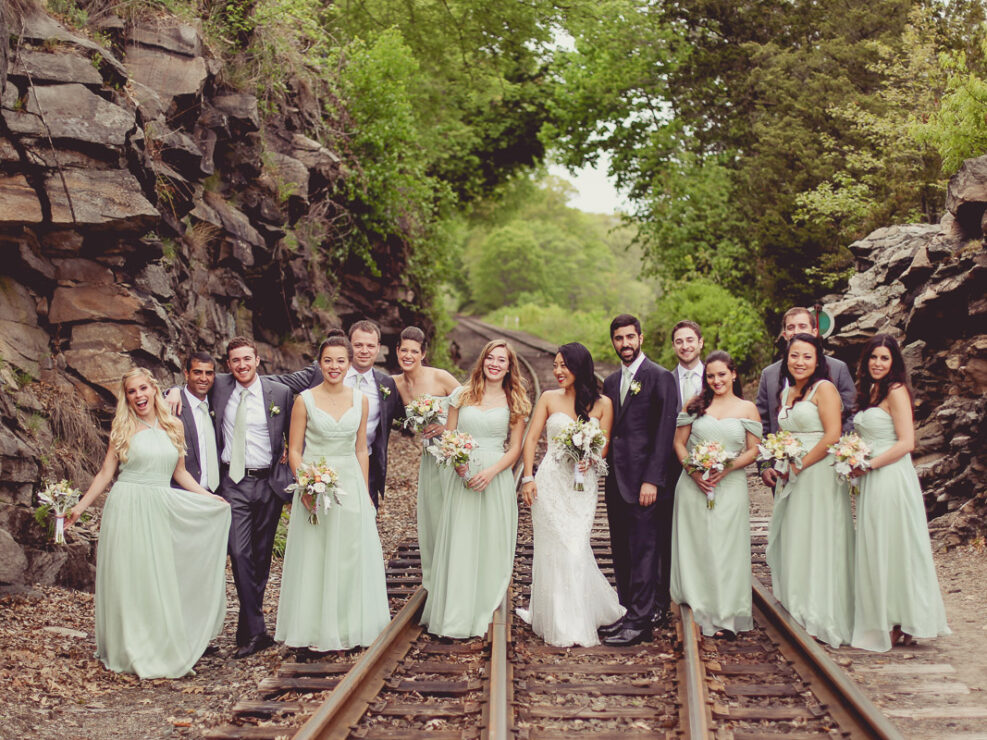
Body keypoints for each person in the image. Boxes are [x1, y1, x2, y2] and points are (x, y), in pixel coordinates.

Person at [66, 368, 230, 679]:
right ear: (126, 397)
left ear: (154, 390)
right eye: (132, 392)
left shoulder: (174, 426)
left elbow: (179, 474)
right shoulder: (123, 427)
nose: (139, 396)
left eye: (143, 389)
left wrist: (209, 497)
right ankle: (128, 646)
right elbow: (105, 473)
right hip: (127, 505)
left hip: (159, 505)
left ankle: (158, 643)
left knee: (158, 576)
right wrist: (79, 507)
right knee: (130, 577)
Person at [275, 335, 390, 650]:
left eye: (341, 360)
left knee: (350, 553)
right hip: (315, 481)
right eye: (328, 360)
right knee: (318, 553)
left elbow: (362, 449)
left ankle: (348, 624)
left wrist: (365, 490)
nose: (334, 366)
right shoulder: (305, 400)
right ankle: (314, 627)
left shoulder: (360, 400)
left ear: (349, 363)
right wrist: (307, 483)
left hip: (350, 481)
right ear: (320, 363)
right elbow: (295, 450)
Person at [516, 343, 623, 647]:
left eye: (564, 365)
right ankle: (558, 620)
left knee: (575, 546)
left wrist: (590, 457)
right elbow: (532, 438)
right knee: (554, 547)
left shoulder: (603, 404)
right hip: (550, 483)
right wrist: (527, 477)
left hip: (582, 484)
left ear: (580, 367)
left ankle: (577, 615)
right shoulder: (549, 398)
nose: (558, 371)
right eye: (556, 366)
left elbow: (603, 446)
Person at [421, 339, 529, 638]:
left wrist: (492, 472)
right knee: (461, 538)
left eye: (501, 360)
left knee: (490, 540)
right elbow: (450, 435)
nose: (495, 364)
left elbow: (515, 448)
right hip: (462, 474)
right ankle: (454, 613)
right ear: (482, 361)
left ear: (509, 367)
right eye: (490, 358)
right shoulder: (462, 395)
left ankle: (484, 605)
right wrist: (459, 464)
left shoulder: (516, 401)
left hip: (495, 475)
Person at [850, 335, 949, 651]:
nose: (878, 363)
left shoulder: (896, 391)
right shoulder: (871, 392)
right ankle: (889, 618)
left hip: (891, 476)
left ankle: (901, 619)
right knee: (879, 543)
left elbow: (907, 442)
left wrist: (870, 464)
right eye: (873, 358)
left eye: (884, 358)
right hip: (871, 477)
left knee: (894, 543)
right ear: (866, 362)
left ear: (894, 363)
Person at [765, 333, 854, 648]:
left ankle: (819, 613)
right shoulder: (788, 389)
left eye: (806, 356)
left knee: (818, 539)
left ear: (818, 360)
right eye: (794, 356)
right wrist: (782, 460)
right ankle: (798, 608)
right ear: (787, 358)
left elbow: (832, 435)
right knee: (796, 537)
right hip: (793, 473)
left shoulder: (824, 389)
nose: (799, 362)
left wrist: (800, 463)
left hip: (817, 474)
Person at [599, 314, 679, 646]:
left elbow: (664, 433)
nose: (625, 344)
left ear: (641, 338)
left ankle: (641, 621)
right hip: (616, 480)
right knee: (622, 550)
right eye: (619, 339)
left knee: (645, 550)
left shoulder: (659, 377)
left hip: (645, 483)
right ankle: (629, 611)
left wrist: (653, 480)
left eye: (630, 337)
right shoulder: (610, 381)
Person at [213, 337, 294, 658]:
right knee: (239, 552)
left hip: (269, 482)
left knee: (260, 559)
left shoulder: (280, 393)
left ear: (258, 360)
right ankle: (257, 630)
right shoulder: (219, 387)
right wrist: (172, 391)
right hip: (233, 483)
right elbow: (188, 384)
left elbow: (295, 430)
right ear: (228, 365)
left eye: (247, 359)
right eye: (235, 361)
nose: (242, 365)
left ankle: (248, 628)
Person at [671, 351, 761, 639]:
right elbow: (679, 444)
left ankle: (727, 613)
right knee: (699, 544)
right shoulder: (694, 406)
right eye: (711, 376)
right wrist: (694, 471)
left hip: (730, 485)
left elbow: (754, 450)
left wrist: (728, 466)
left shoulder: (747, 409)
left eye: (722, 374)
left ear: (733, 374)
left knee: (726, 547)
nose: (716, 380)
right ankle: (698, 607)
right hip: (694, 486)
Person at [266, 321, 401, 508]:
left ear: (378, 348)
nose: (364, 351)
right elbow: (280, 385)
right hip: (317, 468)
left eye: (370, 346)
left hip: (363, 466)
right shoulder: (322, 371)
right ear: (349, 347)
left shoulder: (387, 384)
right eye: (358, 345)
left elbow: (404, 411)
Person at [391, 326, 460, 594]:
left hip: (452, 453)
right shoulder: (394, 384)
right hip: (430, 458)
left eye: (414, 351)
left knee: (452, 514)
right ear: (397, 351)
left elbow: (472, 404)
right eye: (404, 350)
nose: (408, 355)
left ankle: (456, 578)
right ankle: (436, 579)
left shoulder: (440, 377)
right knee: (432, 515)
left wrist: (447, 428)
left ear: (423, 354)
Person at [756, 307, 855, 489]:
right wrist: (765, 464)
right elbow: (762, 424)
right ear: (784, 334)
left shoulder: (838, 369)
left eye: (802, 326)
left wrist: (843, 457)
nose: (796, 331)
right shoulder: (769, 375)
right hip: (782, 468)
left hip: (825, 465)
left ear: (815, 331)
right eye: (791, 327)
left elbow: (849, 416)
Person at [173, 351, 220, 492]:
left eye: (209, 373)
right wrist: (174, 390)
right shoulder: (173, 404)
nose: (203, 378)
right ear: (186, 374)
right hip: (180, 492)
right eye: (197, 372)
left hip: (217, 493)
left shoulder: (219, 402)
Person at [671, 320, 705, 411]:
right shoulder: (666, 381)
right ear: (673, 346)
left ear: (700, 342)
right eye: (679, 342)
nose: (685, 346)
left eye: (690, 340)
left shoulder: (715, 379)